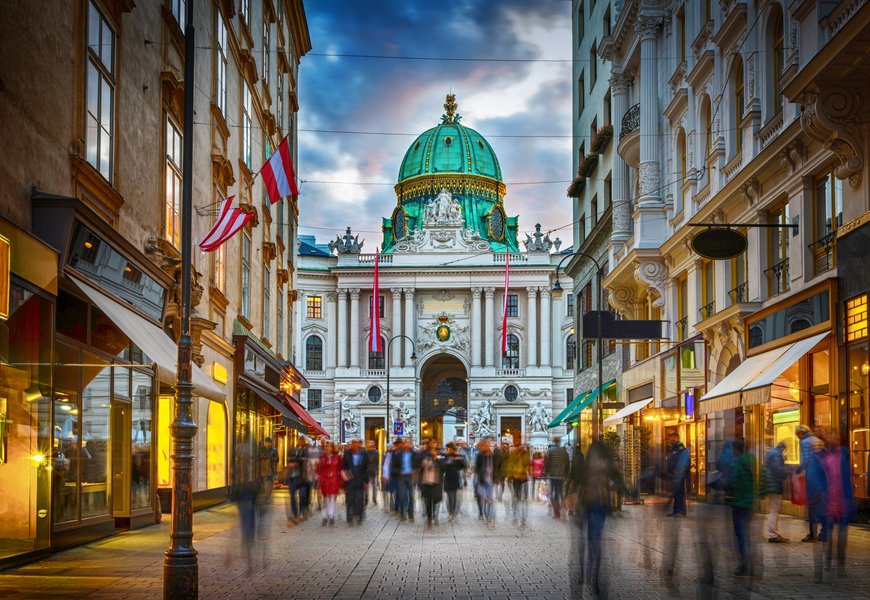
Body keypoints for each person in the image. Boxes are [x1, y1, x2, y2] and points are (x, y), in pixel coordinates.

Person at [817, 432, 854, 579]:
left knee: (842, 535)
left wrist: (850, 498)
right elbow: (819, 477)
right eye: (831, 436)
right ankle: (828, 559)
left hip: (842, 499)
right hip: (828, 501)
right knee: (829, 533)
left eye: (836, 437)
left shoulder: (844, 455)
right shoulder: (822, 456)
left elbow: (847, 478)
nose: (833, 439)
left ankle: (841, 565)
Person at [725, 438, 756, 577]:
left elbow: (731, 481)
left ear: (735, 449)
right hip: (749, 501)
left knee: (740, 535)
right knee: (745, 533)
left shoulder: (736, 463)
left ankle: (744, 564)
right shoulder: (750, 460)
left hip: (739, 502)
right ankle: (748, 561)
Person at [795, 425, 826, 542]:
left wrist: (799, 468)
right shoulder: (818, 441)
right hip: (822, 477)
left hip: (812, 477)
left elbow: (806, 459)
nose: (798, 438)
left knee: (812, 507)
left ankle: (812, 534)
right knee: (822, 505)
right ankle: (825, 532)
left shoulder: (805, 442)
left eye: (797, 435)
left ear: (801, 433)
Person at [764, 441, 789, 543]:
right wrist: (786, 472)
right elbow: (778, 470)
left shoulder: (772, 453)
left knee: (773, 510)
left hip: (771, 485)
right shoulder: (777, 455)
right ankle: (773, 535)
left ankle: (774, 533)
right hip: (775, 485)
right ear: (782, 448)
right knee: (774, 510)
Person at [342, 438, 370, 525]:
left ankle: (359, 515)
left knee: (360, 499)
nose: (354, 445)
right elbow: (343, 466)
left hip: (360, 480)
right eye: (353, 443)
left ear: (358, 444)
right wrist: (345, 474)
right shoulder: (347, 454)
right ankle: (349, 516)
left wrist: (366, 481)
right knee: (350, 499)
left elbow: (366, 468)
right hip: (350, 480)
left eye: (356, 443)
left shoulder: (364, 454)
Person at [664, 432, 689, 517]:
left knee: (680, 493)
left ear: (676, 438)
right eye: (670, 439)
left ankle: (681, 512)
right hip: (674, 475)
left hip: (679, 475)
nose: (670, 441)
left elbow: (682, 463)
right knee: (676, 494)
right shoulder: (673, 449)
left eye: (672, 439)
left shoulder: (681, 449)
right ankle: (676, 511)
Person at [506, 441, 531, 527]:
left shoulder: (523, 453)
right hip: (519, 478)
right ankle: (518, 516)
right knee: (519, 498)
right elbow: (511, 465)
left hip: (521, 478)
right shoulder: (515, 454)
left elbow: (527, 463)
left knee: (520, 498)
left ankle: (520, 517)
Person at [390, 438, 416, 521]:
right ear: (403, 444)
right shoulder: (398, 454)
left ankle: (410, 513)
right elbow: (393, 467)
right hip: (401, 477)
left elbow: (417, 464)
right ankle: (402, 512)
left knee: (411, 495)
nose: (407, 444)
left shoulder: (414, 454)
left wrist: (415, 471)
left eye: (409, 443)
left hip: (411, 476)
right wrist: (399, 472)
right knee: (402, 495)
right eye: (406, 443)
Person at [419, 440, 443, 528]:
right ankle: (429, 518)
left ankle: (434, 515)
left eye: (435, 443)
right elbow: (420, 466)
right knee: (429, 500)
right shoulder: (424, 454)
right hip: (427, 482)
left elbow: (443, 467)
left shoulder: (440, 454)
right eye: (432, 443)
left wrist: (436, 458)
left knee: (436, 499)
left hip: (437, 482)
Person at [545, 437, 570, 519]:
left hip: (553, 475)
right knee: (561, 492)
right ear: (559, 442)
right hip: (561, 475)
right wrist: (566, 474)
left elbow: (547, 463)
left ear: (553, 441)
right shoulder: (564, 451)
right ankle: (564, 508)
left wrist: (547, 471)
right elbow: (567, 464)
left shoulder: (550, 451)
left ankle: (557, 513)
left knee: (554, 493)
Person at [317, 443, 342, 526]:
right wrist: (318, 481)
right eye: (326, 447)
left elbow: (340, 469)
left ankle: (331, 516)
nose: (327, 448)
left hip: (334, 479)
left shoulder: (337, 457)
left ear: (332, 448)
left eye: (329, 447)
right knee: (325, 498)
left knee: (332, 498)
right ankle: (324, 516)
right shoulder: (321, 457)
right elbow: (318, 470)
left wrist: (341, 482)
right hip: (324, 479)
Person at [441, 442, 467, 521]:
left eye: (449, 448)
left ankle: (453, 513)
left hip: (455, 478)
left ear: (453, 449)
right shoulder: (445, 456)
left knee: (454, 496)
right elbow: (442, 466)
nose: (448, 450)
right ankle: (450, 512)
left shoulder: (457, 456)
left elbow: (463, 466)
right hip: (447, 478)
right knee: (449, 496)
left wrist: (458, 459)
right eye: (447, 448)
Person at [475, 438, 496, 525]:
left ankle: (488, 516)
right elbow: (477, 467)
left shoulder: (492, 455)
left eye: (489, 443)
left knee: (490, 499)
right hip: (482, 479)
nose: (489, 445)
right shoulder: (480, 455)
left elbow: (496, 466)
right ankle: (482, 513)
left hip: (490, 479)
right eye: (487, 443)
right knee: (484, 498)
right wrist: (480, 476)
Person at [257, 437, 278, 502]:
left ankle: (268, 496)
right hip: (263, 468)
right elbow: (258, 457)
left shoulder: (274, 450)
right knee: (264, 482)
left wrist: (270, 458)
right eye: (265, 442)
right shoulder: (261, 449)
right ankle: (266, 495)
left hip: (271, 468)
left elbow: (277, 459)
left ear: (271, 443)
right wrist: (262, 457)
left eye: (268, 442)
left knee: (269, 482)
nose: (266, 443)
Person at [365, 439, 379, 506]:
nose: (370, 446)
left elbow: (377, 462)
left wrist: (377, 470)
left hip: (373, 471)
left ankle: (374, 499)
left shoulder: (376, 453)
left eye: (372, 444)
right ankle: (366, 499)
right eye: (370, 444)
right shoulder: (366, 452)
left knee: (374, 487)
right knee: (367, 487)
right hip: (367, 471)